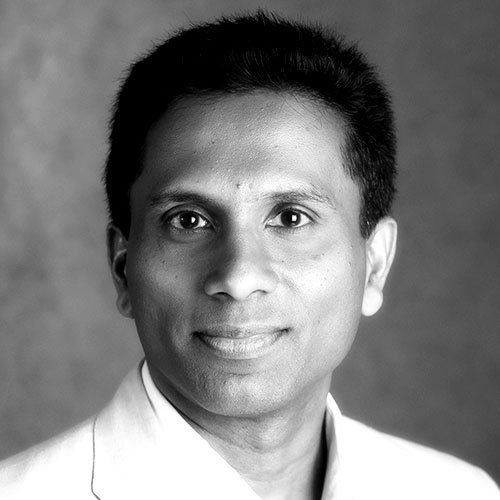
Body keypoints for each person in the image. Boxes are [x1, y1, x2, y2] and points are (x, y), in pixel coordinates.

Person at [0, 11, 498, 500]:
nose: (238, 276)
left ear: (375, 266)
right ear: (122, 268)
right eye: (188, 220)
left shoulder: (461, 492)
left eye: (291, 218)